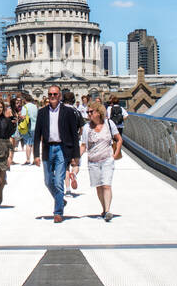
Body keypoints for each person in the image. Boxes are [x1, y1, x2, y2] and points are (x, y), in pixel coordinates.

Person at [33, 85, 83, 223]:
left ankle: (58, 212)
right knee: (48, 181)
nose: (52, 97)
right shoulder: (42, 112)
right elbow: (37, 134)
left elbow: (74, 134)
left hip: (62, 148)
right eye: (50, 94)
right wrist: (36, 154)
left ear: (60, 96)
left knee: (59, 181)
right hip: (47, 148)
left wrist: (76, 155)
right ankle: (60, 200)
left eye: (55, 94)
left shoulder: (68, 112)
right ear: (47, 96)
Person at [80, 99, 123, 221]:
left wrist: (116, 153)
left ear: (98, 112)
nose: (88, 114)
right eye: (87, 112)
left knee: (106, 185)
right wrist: (77, 159)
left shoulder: (109, 124)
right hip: (93, 160)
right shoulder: (86, 128)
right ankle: (104, 208)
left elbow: (119, 139)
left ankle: (108, 210)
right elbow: (83, 145)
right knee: (99, 187)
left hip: (107, 159)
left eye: (90, 112)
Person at [17, 96, 36, 164]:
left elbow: (23, 116)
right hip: (35, 126)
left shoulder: (25, 107)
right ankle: (35, 159)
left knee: (28, 143)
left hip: (29, 126)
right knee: (34, 144)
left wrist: (19, 117)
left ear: (25, 100)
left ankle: (28, 160)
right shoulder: (35, 106)